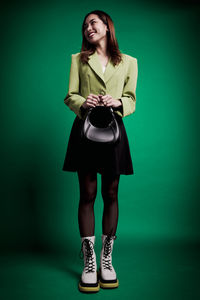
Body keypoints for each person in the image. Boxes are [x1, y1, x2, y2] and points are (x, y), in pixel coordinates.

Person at [62, 10, 138, 293]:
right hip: (86, 130)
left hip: (114, 132)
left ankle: (107, 260)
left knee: (111, 193)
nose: (87, 27)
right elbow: (70, 95)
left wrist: (116, 101)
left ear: (107, 26)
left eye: (93, 22)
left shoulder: (129, 62)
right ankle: (89, 263)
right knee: (88, 193)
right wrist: (85, 101)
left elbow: (131, 99)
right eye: (84, 25)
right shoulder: (77, 60)